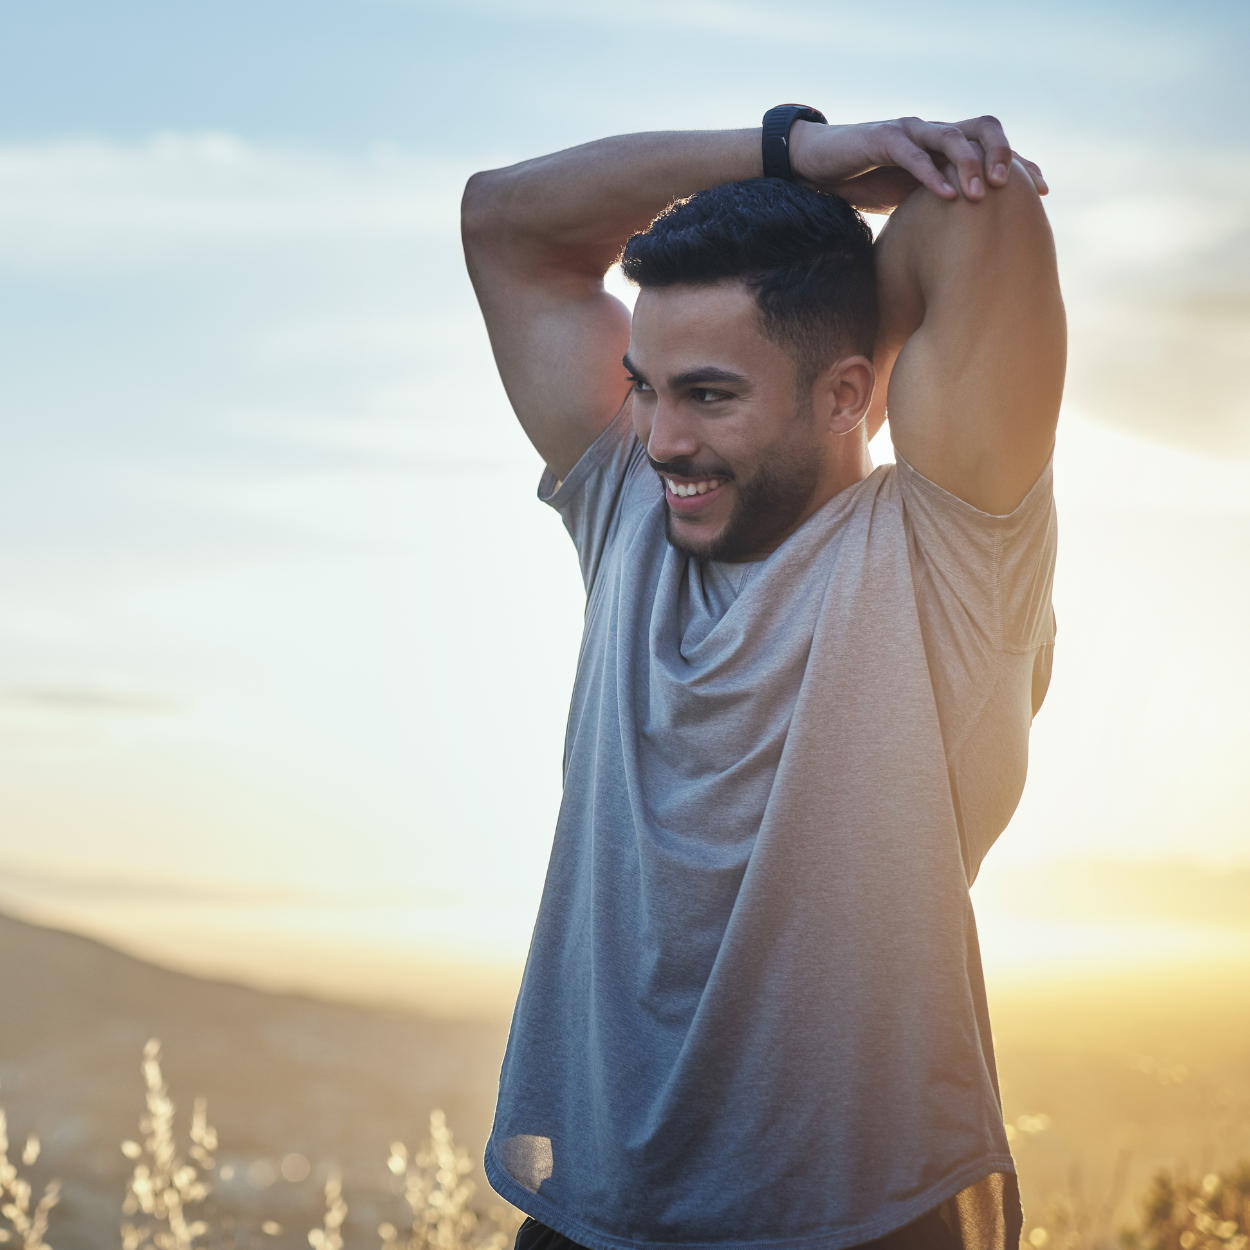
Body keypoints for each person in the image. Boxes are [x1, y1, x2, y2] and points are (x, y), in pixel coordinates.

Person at [461, 107, 1064, 1250]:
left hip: (858, 1221)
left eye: (708, 393)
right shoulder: (628, 511)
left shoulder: (946, 557)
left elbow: (971, 208)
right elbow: (501, 222)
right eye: (646, 386)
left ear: (847, 395)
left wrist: (829, 277)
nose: (659, 436)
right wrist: (791, 154)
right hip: (589, 1214)